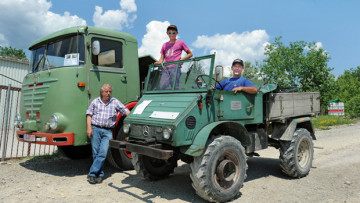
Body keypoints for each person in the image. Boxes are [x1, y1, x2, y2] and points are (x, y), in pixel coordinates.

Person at [86, 84, 130, 184]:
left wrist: (133, 116)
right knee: (96, 153)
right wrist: (89, 128)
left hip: (108, 131)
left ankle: (92, 173)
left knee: (103, 152)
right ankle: (99, 174)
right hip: (95, 129)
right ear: (101, 92)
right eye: (106, 91)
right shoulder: (95, 102)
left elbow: (125, 110)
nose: (108, 93)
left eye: (110, 91)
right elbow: (89, 115)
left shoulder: (115, 102)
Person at [154, 25, 193, 89]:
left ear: (177, 33)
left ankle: (175, 97)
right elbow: (162, 58)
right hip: (165, 69)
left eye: (173, 33)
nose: (171, 34)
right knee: (162, 86)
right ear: (167, 33)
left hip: (175, 68)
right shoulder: (164, 45)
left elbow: (190, 54)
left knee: (174, 86)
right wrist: (158, 62)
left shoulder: (181, 43)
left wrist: (181, 60)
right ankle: (163, 98)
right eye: (169, 33)